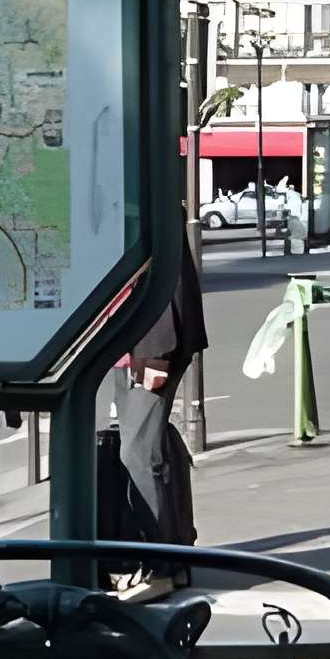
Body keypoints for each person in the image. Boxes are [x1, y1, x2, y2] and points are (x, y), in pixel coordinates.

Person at [109, 239, 207, 563]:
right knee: (144, 449)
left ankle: (161, 562)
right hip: (125, 349)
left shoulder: (144, 212)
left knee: (138, 453)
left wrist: (157, 353)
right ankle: (172, 546)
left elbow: (165, 271)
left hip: (152, 349)